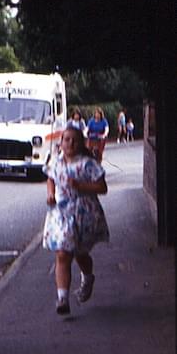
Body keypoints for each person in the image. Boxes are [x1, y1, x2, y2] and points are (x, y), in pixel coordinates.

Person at [42, 126, 109, 315]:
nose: (70, 143)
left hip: (83, 213)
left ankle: (88, 277)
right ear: (61, 142)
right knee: (63, 253)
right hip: (61, 213)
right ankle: (62, 298)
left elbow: (102, 187)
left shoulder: (88, 164)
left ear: (82, 143)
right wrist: (50, 194)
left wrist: (81, 186)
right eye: (67, 139)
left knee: (80, 254)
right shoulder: (56, 162)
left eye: (75, 140)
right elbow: (50, 178)